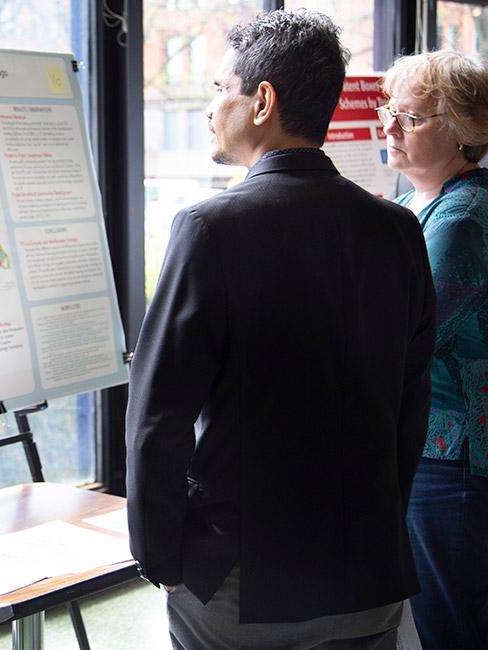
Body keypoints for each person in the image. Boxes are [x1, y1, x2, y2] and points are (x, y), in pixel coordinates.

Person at [125, 10, 436, 649]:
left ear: (262, 100)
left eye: (219, 89)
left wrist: (160, 556)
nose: (210, 108)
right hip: (366, 572)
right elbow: (411, 407)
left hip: (243, 579)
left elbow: (158, 415)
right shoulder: (399, 231)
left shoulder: (209, 230)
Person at [379, 50, 488, 649]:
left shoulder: (463, 218)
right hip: (427, 449)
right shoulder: (410, 205)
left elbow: (405, 337)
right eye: (389, 110)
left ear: (463, 130)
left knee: (450, 626)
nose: (388, 127)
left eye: (411, 118)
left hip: (456, 460)